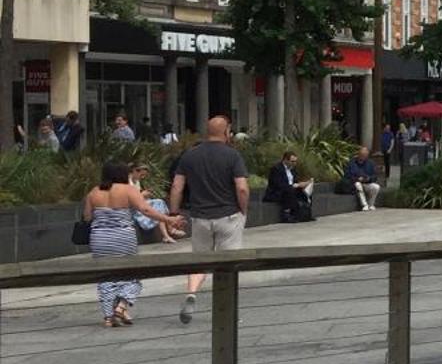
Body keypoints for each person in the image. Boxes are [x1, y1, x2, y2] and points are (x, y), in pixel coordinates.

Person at [169, 115, 250, 324]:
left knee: (199, 261)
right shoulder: (233, 156)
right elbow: (241, 187)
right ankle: (228, 314)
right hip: (228, 216)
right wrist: (243, 210)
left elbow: (177, 186)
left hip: (200, 218)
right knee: (228, 266)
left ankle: (191, 294)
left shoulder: (190, 155)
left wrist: (173, 214)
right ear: (226, 132)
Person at [84, 161, 177, 326]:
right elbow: (146, 210)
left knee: (106, 276)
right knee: (131, 273)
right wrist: (168, 219)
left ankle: (108, 316)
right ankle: (121, 306)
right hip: (123, 237)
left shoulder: (94, 192)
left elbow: (87, 217)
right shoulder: (128, 190)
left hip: (100, 238)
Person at [263, 151, 315, 223]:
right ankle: (286, 215)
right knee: (289, 190)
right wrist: (294, 186)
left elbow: (296, 181)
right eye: (292, 161)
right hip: (277, 192)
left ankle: (306, 213)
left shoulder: (292, 169)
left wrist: (303, 184)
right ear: (285, 160)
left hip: (291, 190)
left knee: (305, 191)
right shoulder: (276, 169)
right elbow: (278, 185)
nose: (294, 164)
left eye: (295, 161)